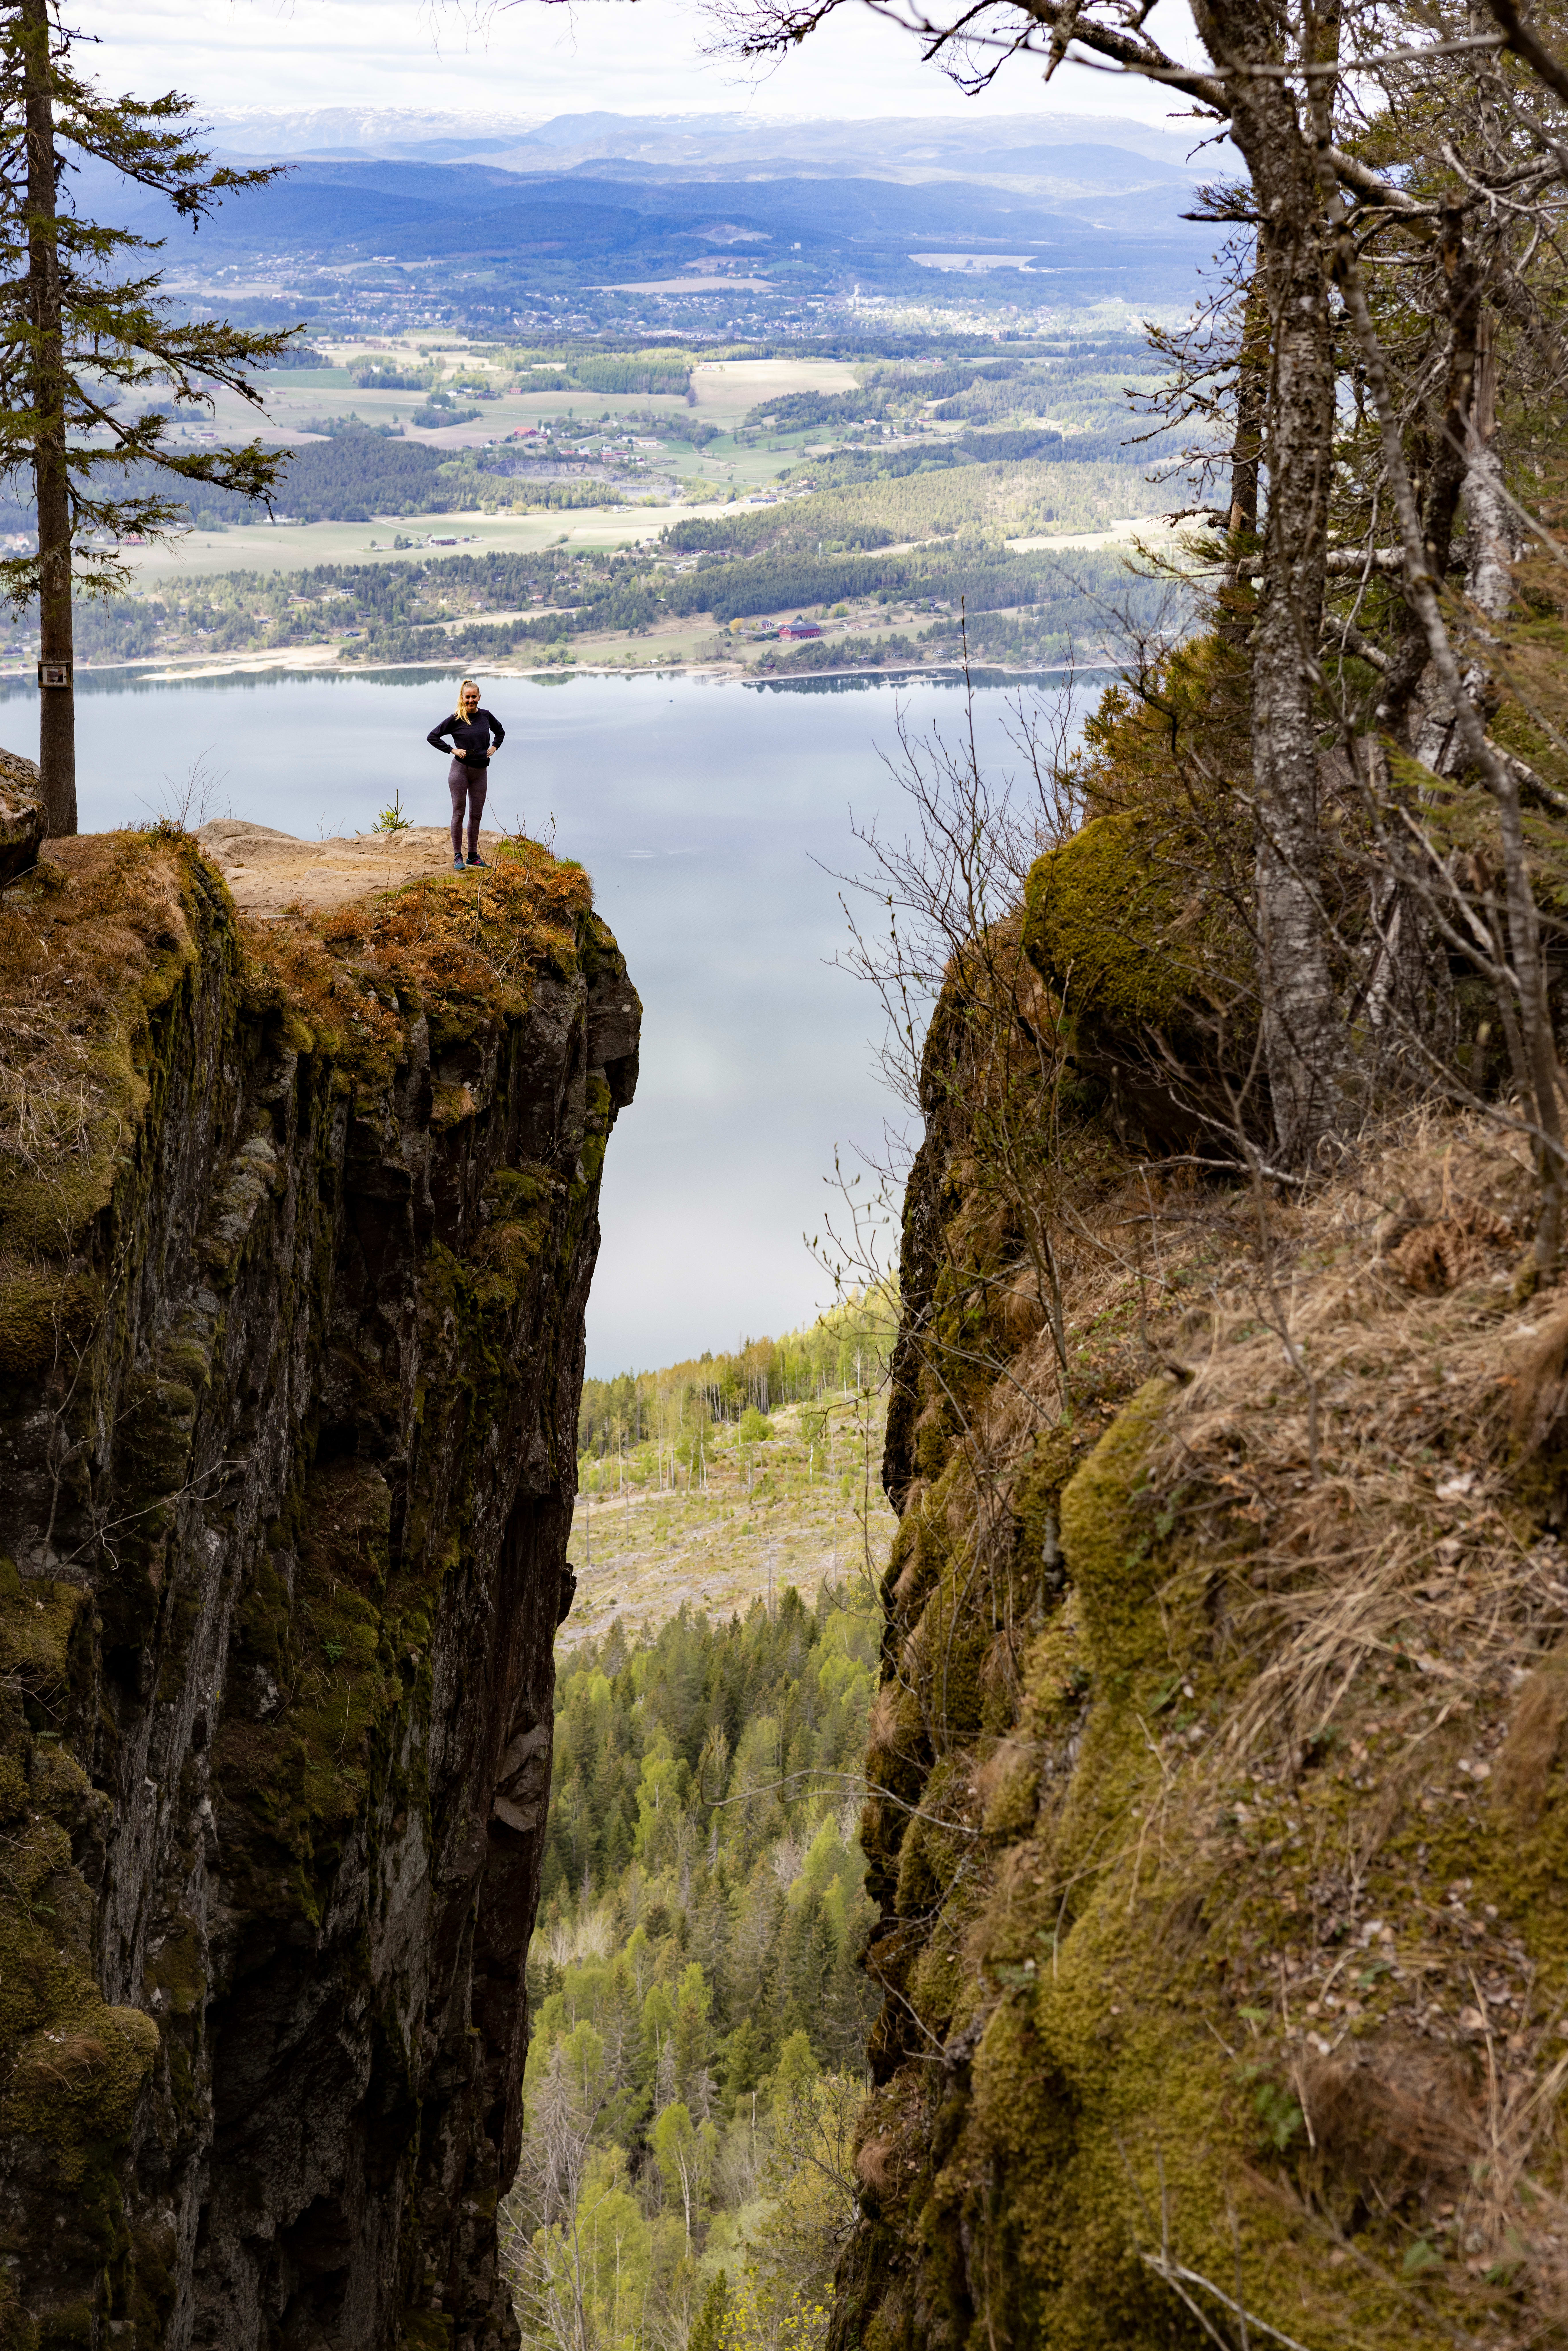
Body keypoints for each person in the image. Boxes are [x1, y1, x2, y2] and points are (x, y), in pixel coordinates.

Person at [428, 679, 505, 871]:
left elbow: (500, 731)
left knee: (476, 814)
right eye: (468, 697)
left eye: (474, 697)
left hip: (480, 773)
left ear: (479, 697)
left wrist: (495, 747)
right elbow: (433, 737)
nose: (471, 700)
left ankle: (473, 856)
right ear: (462, 698)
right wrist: (452, 750)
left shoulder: (486, 716)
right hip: (460, 772)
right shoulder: (456, 719)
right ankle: (458, 857)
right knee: (459, 813)